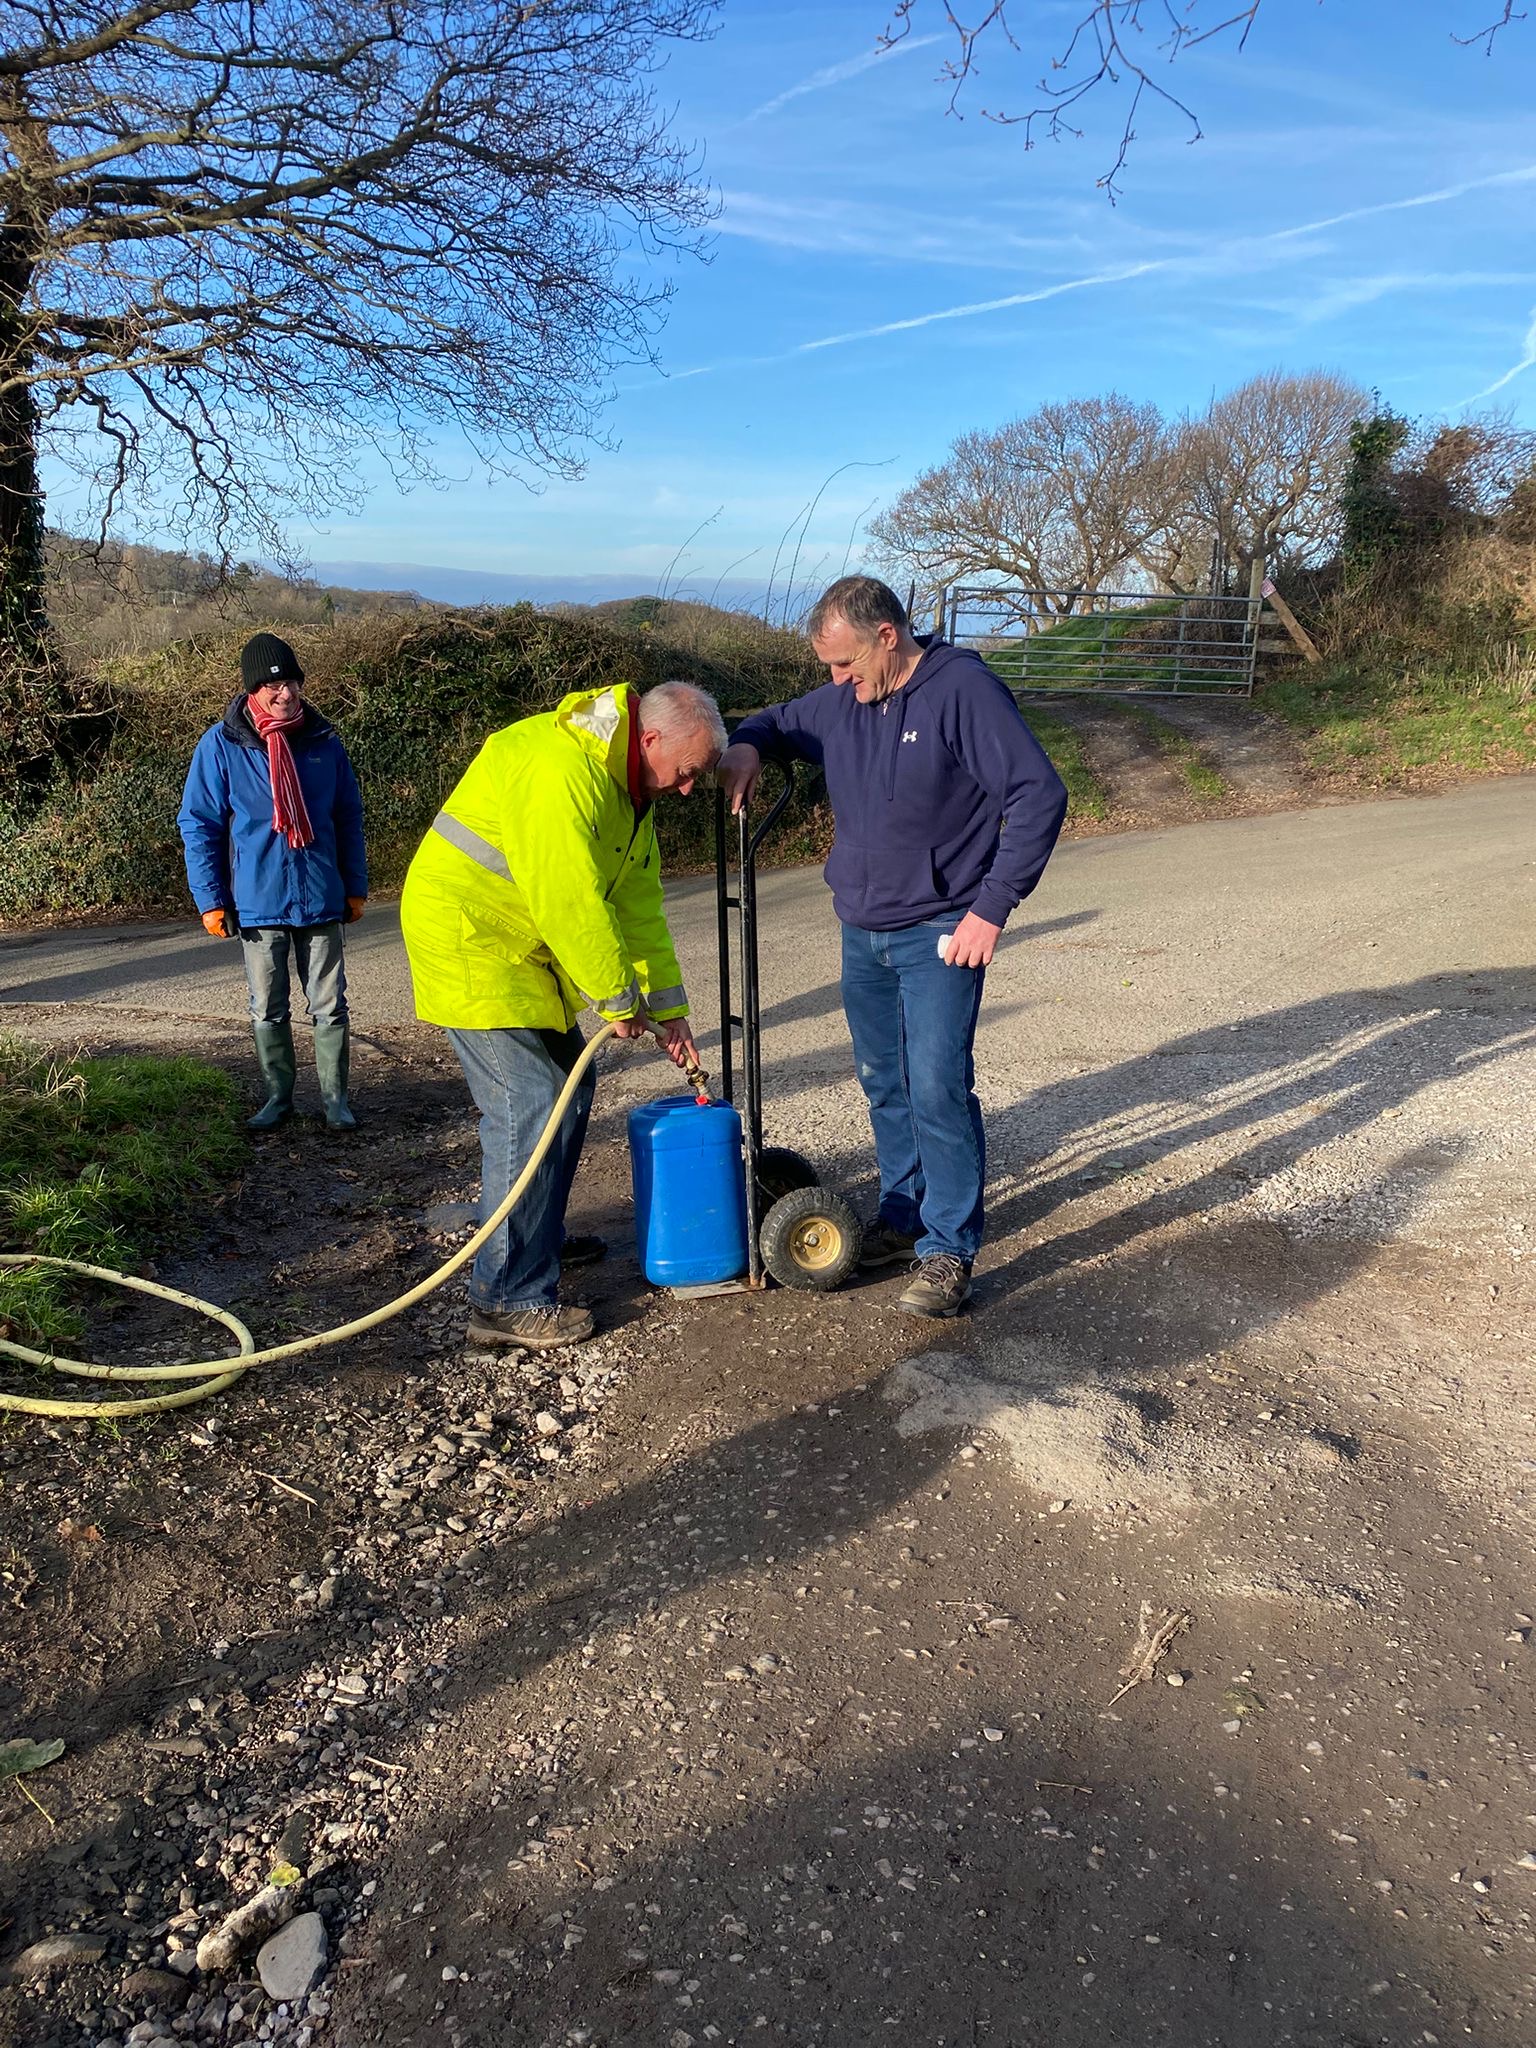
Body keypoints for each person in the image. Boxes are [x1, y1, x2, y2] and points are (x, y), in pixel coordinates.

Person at [717, 575, 1067, 1320]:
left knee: (937, 1085)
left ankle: (948, 1248)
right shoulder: (844, 700)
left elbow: (1038, 793)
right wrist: (747, 745)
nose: (836, 683)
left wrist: (991, 907)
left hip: (941, 927)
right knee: (883, 1080)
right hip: (861, 931)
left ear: (887, 636)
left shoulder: (961, 691)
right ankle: (904, 1215)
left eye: (845, 665)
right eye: (827, 669)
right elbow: (773, 721)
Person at [400, 678, 724, 1353]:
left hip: (519, 948)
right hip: (471, 939)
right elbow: (569, 902)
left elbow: (637, 910)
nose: (690, 790)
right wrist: (615, 998)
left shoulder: (631, 796)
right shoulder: (563, 771)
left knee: (569, 1096)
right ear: (652, 738)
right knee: (531, 1105)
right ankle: (506, 1299)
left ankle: (534, 1237)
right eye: (688, 773)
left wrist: (670, 1011)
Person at [179, 632, 368, 1133]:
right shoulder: (221, 745)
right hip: (258, 903)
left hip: (322, 897)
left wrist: (355, 886)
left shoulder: (323, 741)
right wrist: (211, 900)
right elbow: (199, 824)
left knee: (329, 1006)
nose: (286, 694)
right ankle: (278, 1099)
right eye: (273, 685)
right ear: (251, 690)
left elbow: (348, 817)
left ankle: (335, 1101)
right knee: (268, 1008)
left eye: (293, 683)